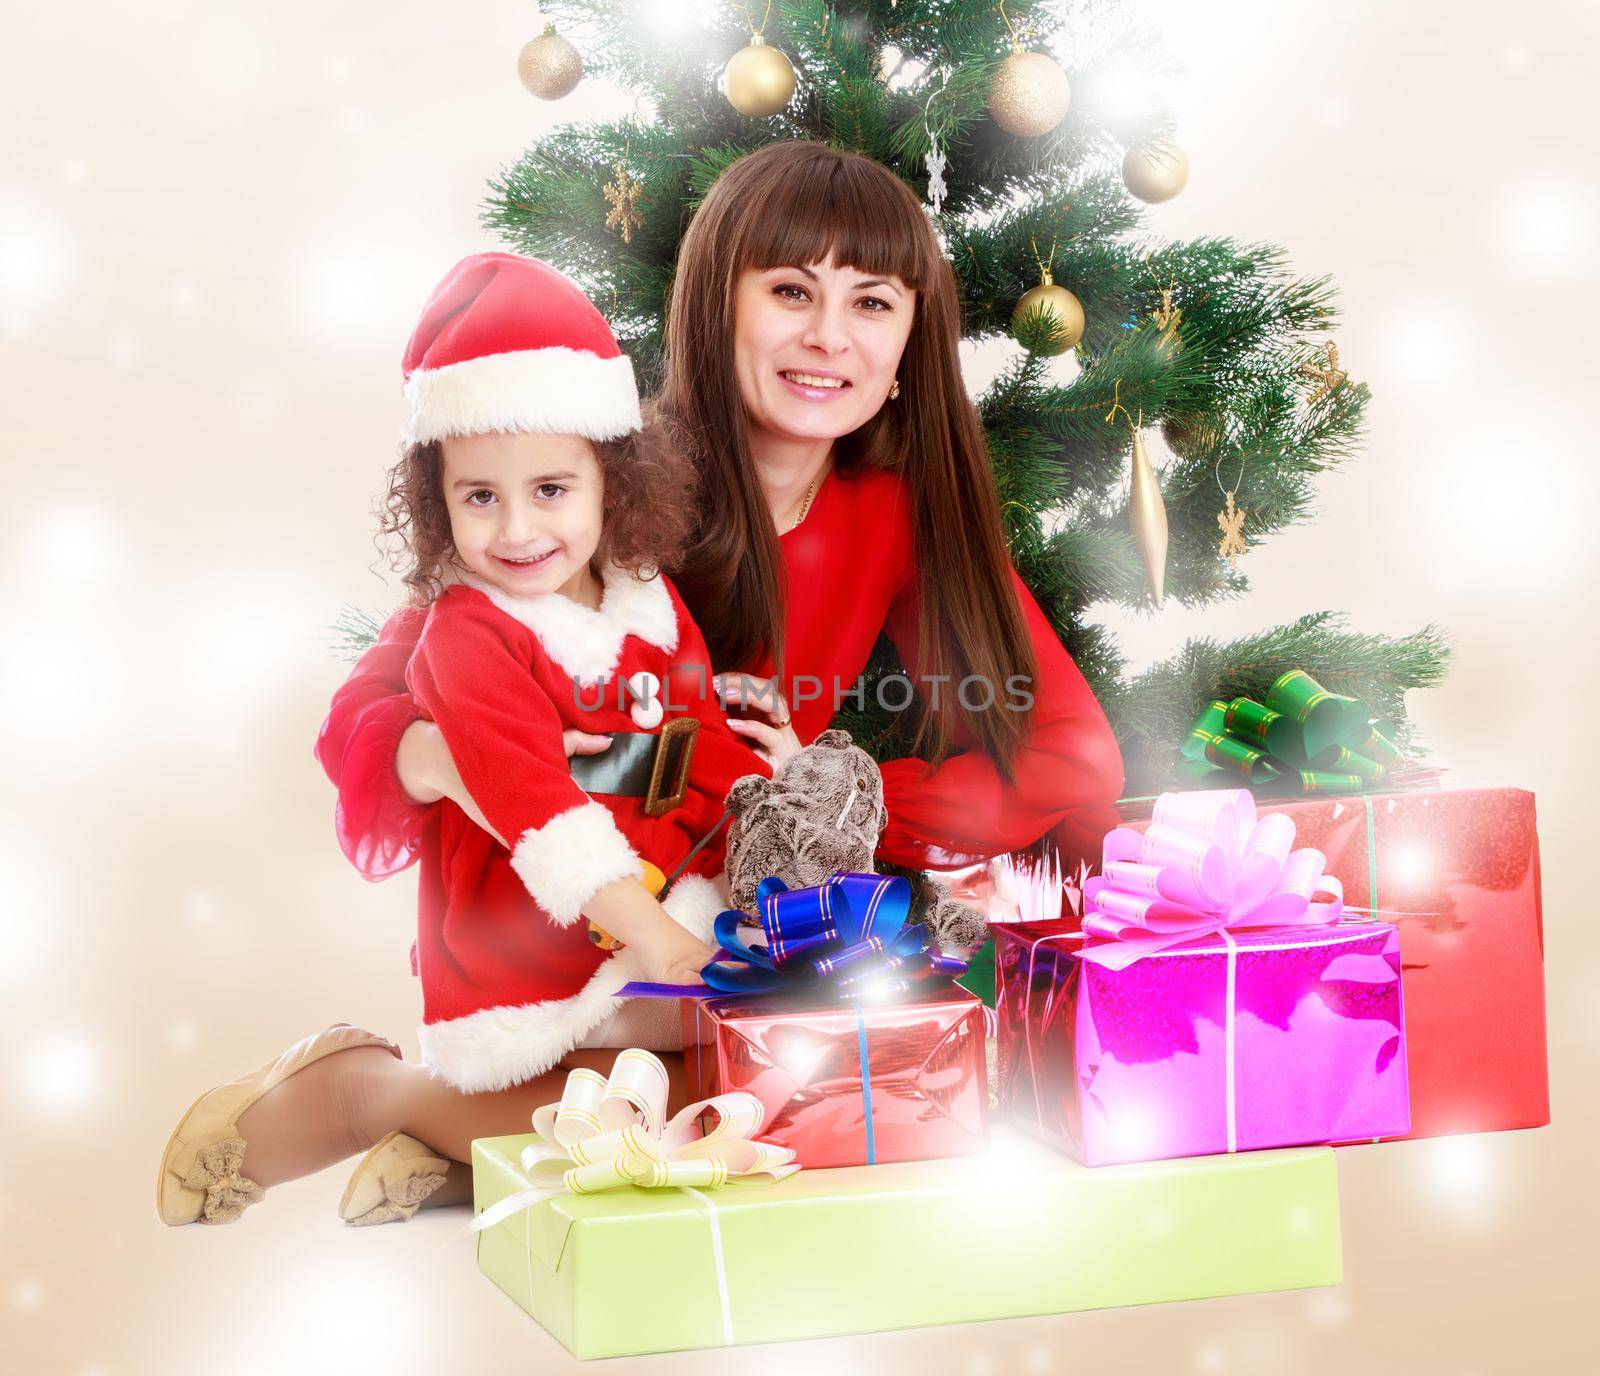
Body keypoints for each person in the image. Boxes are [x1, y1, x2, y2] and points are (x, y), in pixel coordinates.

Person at [156, 253, 792, 1228]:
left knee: (713, 1043)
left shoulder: (646, 599)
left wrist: (766, 825)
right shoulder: (467, 628)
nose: (517, 529)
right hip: (524, 919)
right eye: (479, 496)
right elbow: (536, 807)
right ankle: (354, 1090)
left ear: (610, 483)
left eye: (549, 489)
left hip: (651, 892)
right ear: (436, 500)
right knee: (662, 1043)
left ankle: (463, 1152)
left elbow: (699, 739)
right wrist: (657, 932)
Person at [327, 142, 1125, 892]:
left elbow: (1075, 754)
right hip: (555, 933)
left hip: (748, 936)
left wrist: (830, 794)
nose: (829, 337)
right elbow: (366, 719)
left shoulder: (891, 514)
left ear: (909, 346)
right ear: (719, 306)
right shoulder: (588, 485)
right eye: (790, 292)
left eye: (872, 303)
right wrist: (466, 759)